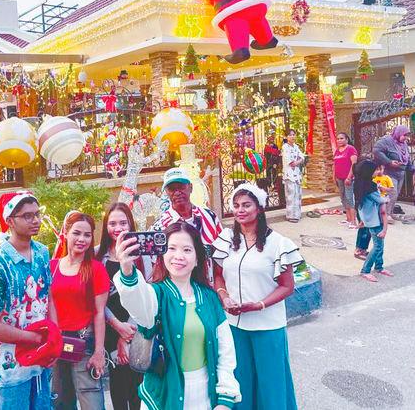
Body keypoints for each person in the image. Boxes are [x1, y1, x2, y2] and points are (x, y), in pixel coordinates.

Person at [114, 222, 241, 410]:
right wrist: (127, 270)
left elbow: (225, 350)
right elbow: (139, 308)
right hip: (163, 396)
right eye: (171, 248)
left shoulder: (209, 297)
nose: (178, 256)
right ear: (162, 254)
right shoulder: (155, 294)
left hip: (205, 394)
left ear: (198, 258)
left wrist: (225, 398)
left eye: (187, 249)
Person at [212, 183, 302, 410]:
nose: (240, 210)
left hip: (267, 325)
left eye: (246, 205)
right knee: (240, 380)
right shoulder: (226, 239)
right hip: (234, 324)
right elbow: (218, 275)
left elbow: (287, 286)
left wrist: (259, 305)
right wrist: (224, 297)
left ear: (259, 208)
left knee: (270, 383)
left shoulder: (277, 244)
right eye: (236, 205)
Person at [0, 191, 56, 410]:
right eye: (27, 216)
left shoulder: (41, 252)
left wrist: (54, 340)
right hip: (10, 366)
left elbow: (48, 297)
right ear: (10, 221)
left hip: (41, 359)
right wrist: (35, 339)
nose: (36, 220)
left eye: (37, 214)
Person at [96, 202, 153, 410]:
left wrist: (127, 332)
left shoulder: (142, 254)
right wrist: (118, 328)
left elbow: (147, 292)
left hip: (136, 327)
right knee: (118, 386)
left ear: (131, 223)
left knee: (137, 386)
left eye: (122, 222)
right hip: (111, 328)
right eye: (112, 223)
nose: (117, 228)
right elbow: (97, 301)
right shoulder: (98, 256)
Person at [50, 211, 110, 410]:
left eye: (87, 235)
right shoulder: (52, 267)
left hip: (84, 343)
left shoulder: (95, 269)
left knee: (91, 401)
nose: (82, 239)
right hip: (57, 344)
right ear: (66, 233)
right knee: (61, 401)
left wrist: (99, 351)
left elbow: (99, 312)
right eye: (77, 233)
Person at [152, 167, 223, 284]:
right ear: (166, 192)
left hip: (211, 288)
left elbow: (221, 255)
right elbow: (157, 267)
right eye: (172, 189)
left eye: (181, 187)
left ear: (190, 187)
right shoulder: (160, 227)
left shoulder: (210, 217)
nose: (177, 192)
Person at [354, 160, 392, 282]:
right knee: (377, 246)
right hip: (374, 220)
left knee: (380, 244)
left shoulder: (360, 183)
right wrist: (386, 198)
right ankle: (365, 270)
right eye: (376, 170)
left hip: (368, 218)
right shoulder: (369, 186)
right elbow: (381, 200)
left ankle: (379, 267)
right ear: (368, 172)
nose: (378, 172)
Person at [372, 125, 414, 222]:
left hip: (401, 173)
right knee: (391, 193)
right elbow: (376, 151)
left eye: (407, 136)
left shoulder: (403, 144)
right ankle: (385, 215)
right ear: (398, 133)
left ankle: (389, 213)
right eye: (404, 135)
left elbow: (407, 158)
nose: (405, 138)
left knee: (395, 195)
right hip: (389, 172)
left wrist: (412, 168)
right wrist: (389, 161)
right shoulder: (386, 140)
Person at [332, 132, 358, 228]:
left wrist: (349, 177)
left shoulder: (351, 149)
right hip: (339, 178)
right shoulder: (337, 150)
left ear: (347, 139)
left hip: (348, 179)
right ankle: (348, 219)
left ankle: (354, 221)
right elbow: (334, 164)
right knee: (343, 198)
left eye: (341, 138)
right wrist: (333, 176)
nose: (339, 140)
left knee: (349, 198)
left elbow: (353, 164)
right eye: (338, 138)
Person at [281, 130, 305, 223]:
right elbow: (291, 163)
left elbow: (302, 157)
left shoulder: (296, 147)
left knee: (298, 194)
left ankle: (297, 214)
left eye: (294, 135)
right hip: (289, 174)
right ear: (287, 137)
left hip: (297, 174)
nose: (292, 137)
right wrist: (297, 161)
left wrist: (298, 162)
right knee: (291, 195)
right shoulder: (285, 147)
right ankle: (291, 215)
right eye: (290, 135)